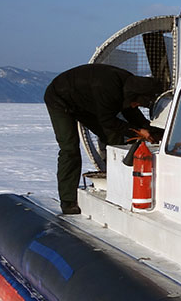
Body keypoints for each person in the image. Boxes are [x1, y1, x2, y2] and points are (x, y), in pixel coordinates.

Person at [43, 63, 163, 214]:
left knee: (114, 137)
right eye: (137, 103)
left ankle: (116, 184)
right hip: (60, 99)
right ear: (133, 96)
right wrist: (138, 131)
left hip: (85, 101)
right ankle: (68, 200)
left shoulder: (129, 86)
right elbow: (108, 121)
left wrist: (151, 130)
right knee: (69, 148)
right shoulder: (109, 90)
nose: (136, 106)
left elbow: (131, 112)